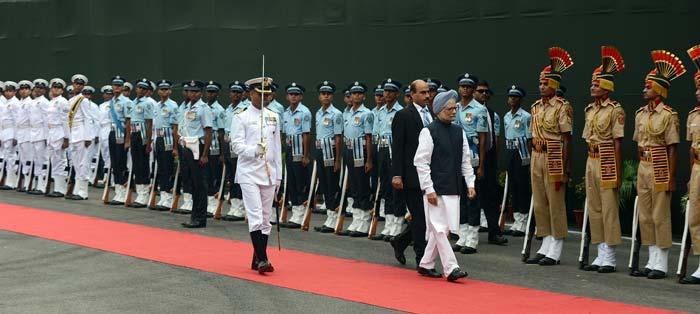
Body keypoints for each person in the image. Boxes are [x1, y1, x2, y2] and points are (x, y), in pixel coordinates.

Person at [630, 50, 684, 279]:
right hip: (644, 166)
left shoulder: (669, 115)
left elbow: (673, 147)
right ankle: (651, 259)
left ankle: (661, 263)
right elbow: (637, 143)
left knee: (660, 214)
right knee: (645, 214)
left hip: (661, 164)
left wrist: (671, 176)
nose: (644, 90)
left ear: (659, 89)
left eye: (648, 87)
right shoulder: (640, 114)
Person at [414, 90, 474, 282]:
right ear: (439, 110)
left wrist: (470, 183)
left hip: (454, 187)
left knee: (443, 229)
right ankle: (451, 268)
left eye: (455, 108)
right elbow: (420, 162)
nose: (453, 112)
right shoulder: (428, 131)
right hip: (436, 189)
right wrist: (428, 188)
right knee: (439, 228)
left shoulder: (459, 132)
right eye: (449, 109)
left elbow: (466, 160)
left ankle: (426, 263)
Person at [526, 47, 574, 266]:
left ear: (554, 84)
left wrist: (564, 168)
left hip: (554, 154)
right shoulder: (536, 107)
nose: (542, 86)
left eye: (546, 83)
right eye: (540, 83)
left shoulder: (563, 106)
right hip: (536, 155)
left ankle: (556, 247)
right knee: (540, 202)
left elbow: (566, 140)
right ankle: (545, 242)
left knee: (555, 202)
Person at [230, 76, 283, 273]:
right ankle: (263, 259)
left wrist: (279, 175)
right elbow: (235, 145)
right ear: (251, 94)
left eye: (267, 95)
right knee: (255, 214)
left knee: (266, 216)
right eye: (260, 94)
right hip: (248, 172)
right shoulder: (241, 116)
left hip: (269, 172)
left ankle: (256, 258)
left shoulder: (273, 116)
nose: (264, 98)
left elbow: (277, 147)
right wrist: (253, 150)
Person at [581, 46, 626, 273]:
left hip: (608, 158)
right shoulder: (590, 110)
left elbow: (618, 143)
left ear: (606, 87)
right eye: (592, 83)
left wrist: (617, 172)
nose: (592, 87)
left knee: (608, 207)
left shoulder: (615, 110)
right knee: (595, 207)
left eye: (596, 84)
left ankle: (609, 255)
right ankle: (599, 252)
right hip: (592, 159)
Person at [390, 79, 432, 266]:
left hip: (430, 173)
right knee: (420, 216)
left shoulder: (432, 114)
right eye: (422, 92)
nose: (427, 96)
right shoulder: (403, 115)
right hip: (411, 174)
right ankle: (421, 258)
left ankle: (400, 241)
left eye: (428, 92)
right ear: (412, 95)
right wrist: (397, 174)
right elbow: (397, 147)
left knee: (425, 216)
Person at [453, 73, 488, 254]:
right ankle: (462, 235)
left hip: (473, 157)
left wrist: (481, 164)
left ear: (473, 90)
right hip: (457, 158)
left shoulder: (479, 109)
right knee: (460, 198)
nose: (465, 89)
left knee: (472, 197)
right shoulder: (455, 107)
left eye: (468, 87)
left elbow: (483, 139)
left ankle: (472, 238)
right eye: (462, 86)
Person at [473, 80, 508, 246]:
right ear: (474, 92)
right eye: (481, 91)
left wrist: (491, 161)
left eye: (487, 92)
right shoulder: (464, 111)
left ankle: (494, 232)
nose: (484, 94)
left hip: (488, 160)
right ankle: (465, 233)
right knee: (469, 197)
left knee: (491, 197)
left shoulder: (493, 115)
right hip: (469, 160)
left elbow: (496, 140)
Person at [337, 81, 374, 237]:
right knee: (354, 187)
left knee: (362, 186)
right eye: (354, 93)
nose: (356, 96)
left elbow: (369, 137)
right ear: (350, 96)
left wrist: (369, 159)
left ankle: (364, 221)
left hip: (361, 152)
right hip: (349, 150)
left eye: (359, 93)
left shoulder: (367, 113)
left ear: (364, 96)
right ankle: (356, 219)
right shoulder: (346, 113)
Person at [373, 78, 405, 241]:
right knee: (385, 186)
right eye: (386, 91)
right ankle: (389, 223)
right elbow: (376, 134)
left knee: (396, 189)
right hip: (382, 149)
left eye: (391, 91)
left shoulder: (400, 111)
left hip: (394, 151)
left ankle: (397, 224)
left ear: (397, 94)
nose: (387, 94)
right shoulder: (380, 111)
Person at [179, 80, 213, 228]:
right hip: (187, 145)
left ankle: (200, 217)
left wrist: (205, 154)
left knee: (200, 184)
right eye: (190, 91)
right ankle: (194, 216)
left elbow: (209, 132)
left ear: (201, 93)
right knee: (192, 182)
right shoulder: (187, 107)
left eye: (196, 91)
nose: (193, 94)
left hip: (198, 146)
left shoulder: (203, 108)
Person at [279, 82, 312, 229]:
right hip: (289, 149)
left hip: (299, 151)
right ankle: (295, 210)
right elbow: (283, 133)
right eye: (291, 94)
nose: (293, 96)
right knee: (290, 181)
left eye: (296, 94)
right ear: (287, 96)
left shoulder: (304, 112)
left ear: (301, 97)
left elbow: (306, 135)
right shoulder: (285, 113)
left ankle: (300, 214)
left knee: (300, 182)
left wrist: (305, 155)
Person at [312, 81, 344, 233]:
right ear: (319, 96)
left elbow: (338, 137)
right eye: (323, 93)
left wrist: (338, 159)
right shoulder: (318, 113)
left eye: (328, 94)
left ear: (332, 96)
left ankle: (334, 217)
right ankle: (329, 215)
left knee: (332, 183)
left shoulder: (336, 114)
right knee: (324, 184)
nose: (325, 96)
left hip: (331, 151)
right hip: (320, 150)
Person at [502, 85, 532, 237]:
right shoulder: (506, 116)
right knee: (513, 185)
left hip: (522, 152)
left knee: (522, 186)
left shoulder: (526, 116)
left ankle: (523, 221)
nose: (513, 99)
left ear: (520, 99)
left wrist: (528, 160)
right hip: (510, 151)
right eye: (511, 96)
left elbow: (529, 139)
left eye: (516, 96)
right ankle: (516, 220)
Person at [682, 44, 700, 284]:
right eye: (697, 88)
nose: (697, 92)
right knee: (696, 216)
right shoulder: (694, 115)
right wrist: (689, 175)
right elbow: (689, 148)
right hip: (697, 168)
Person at [65, 74, 98, 200]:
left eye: (80, 84)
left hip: (82, 134)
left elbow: (88, 119)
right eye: (76, 84)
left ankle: (83, 192)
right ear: (73, 85)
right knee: (76, 163)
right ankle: (77, 190)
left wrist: (88, 137)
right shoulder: (70, 101)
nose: (78, 86)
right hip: (73, 134)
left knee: (83, 163)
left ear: (83, 86)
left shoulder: (83, 100)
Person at [125, 79, 155, 207]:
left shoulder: (147, 103)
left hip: (143, 134)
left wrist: (148, 142)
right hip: (134, 133)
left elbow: (149, 123)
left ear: (147, 91)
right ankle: (139, 191)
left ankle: (144, 194)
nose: (140, 90)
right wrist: (128, 139)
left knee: (143, 164)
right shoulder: (132, 103)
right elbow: (129, 122)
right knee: (136, 163)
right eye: (139, 88)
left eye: (144, 89)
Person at [221, 81, 248, 221]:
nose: (235, 95)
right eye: (233, 92)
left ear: (244, 93)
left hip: (239, 145)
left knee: (240, 176)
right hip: (227, 144)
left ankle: (241, 207)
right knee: (231, 176)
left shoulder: (247, 108)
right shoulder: (228, 109)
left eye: (239, 92)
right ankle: (234, 205)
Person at [152, 80, 179, 210]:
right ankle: (162, 196)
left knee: (168, 168)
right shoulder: (156, 105)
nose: (163, 91)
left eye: (166, 89)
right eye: (161, 89)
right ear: (158, 91)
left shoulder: (173, 105)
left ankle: (168, 198)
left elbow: (175, 127)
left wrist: (175, 146)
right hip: (158, 138)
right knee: (161, 168)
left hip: (168, 139)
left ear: (170, 91)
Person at [105, 76, 132, 205]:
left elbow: (128, 121)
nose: (116, 87)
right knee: (114, 162)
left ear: (122, 87)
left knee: (121, 162)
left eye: (119, 85)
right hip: (112, 132)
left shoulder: (126, 102)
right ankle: (117, 190)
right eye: (114, 85)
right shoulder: (111, 101)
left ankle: (122, 192)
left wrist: (127, 140)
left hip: (121, 133)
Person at [44, 79, 70, 197]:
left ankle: (61, 189)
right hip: (51, 132)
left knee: (60, 160)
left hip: (59, 131)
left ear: (62, 90)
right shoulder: (52, 101)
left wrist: (66, 138)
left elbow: (65, 121)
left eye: (59, 88)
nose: (56, 89)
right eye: (54, 87)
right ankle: (57, 187)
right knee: (54, 160)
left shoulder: (63, 102)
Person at [204, 81, 225, 217]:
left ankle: (214, 204)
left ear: (217, 94)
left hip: (215, 145)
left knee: (213, 175)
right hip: (204, 144)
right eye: (208, 91)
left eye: (213, 92)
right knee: (205, 175)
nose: (210, 94)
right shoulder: (203, 107)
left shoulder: (220, 110)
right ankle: (207, 202)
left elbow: (222, 132)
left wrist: (222, 153)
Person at [27, 79, 50, 194]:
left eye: (41, 88)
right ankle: (37, 184)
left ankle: (42, 185)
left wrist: (47, 136)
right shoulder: (33, 101)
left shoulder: (44, 102)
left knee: (42, 159)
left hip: (41, 132)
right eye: (37, 88)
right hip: (33, 132)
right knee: (36, 159)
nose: (39, 90)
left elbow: (47, 120)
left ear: (44, 90)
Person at [15, 80, 34, 192]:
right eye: (21, 89)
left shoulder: (30, 103)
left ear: (30, 91)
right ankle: (24, 182)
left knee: (28, 158)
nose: (23, 91)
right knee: (22, 158)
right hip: (20, 133)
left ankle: (29, 183)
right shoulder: (19, 103)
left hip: (28, 132)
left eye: (26, 89)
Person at [0, 82, 20, 190]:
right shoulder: (7, 103)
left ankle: (11, 182)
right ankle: (7, 180)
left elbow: (17, 121)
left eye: (10, 91)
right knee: (7, 157)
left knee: (11, 157)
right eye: (6, 91)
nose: (8, 93)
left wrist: (16, 137)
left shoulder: (15, 103)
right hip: (5, 132)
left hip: (12, 131)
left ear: (14, 92)